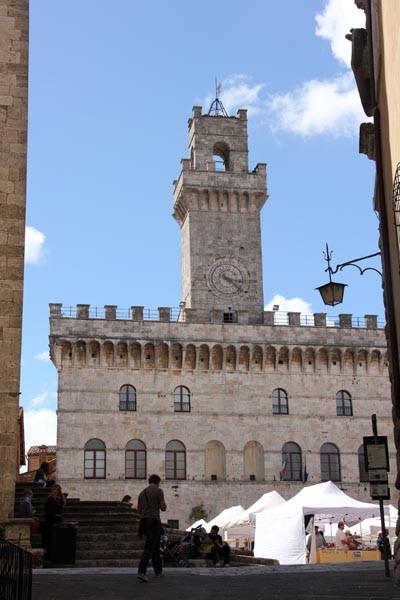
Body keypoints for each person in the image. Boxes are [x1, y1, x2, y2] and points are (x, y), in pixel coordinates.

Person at [137, 474, 167, 583]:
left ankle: (158, 571)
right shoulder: (159, 491)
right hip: (153, 521)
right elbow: (163, 507)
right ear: (157, 481)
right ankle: (141, 571)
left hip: (144, 522)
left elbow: (138, 510)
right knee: (149, 547)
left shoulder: (142, 493)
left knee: (155, 546)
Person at [42, 484, 65, 559]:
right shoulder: (50, 498)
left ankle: (54, 554)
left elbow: (60, 510)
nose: (54, 491)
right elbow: (45, 508)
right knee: (48, 538)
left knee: (54, 538)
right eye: (53, 490)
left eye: (55, 490)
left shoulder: (60, 499)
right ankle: (49, 554)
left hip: (56, 521)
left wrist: (55, 514)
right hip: (50, 520)